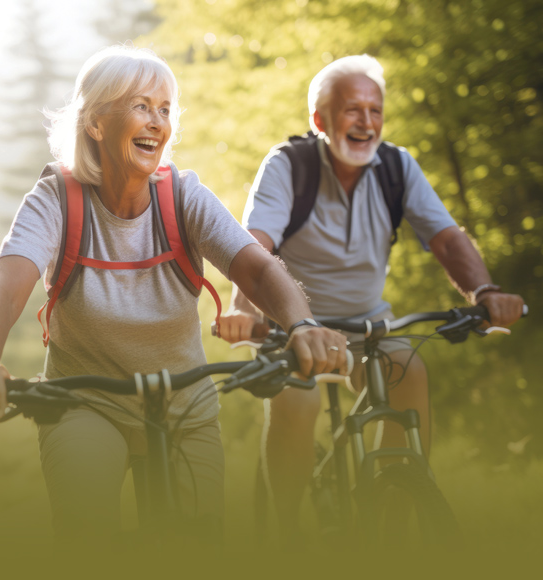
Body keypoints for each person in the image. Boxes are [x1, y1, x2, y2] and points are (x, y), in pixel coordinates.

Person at [0, 46, 348, 545]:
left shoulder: (183, 196)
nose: (157, 121)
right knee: (86, 538)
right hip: (85, 403)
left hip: (184, 406)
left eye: (164, 109)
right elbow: (6, 287)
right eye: (140, 106)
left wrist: (302, 325)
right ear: (95, 122)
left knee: (198, 551)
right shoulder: (56, 199)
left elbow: (259, 270)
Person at [218, 54, 525, 536]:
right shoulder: (289, 165)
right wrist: (241, 307)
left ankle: (393, 528)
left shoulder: (396, 168)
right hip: (293, 327)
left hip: (369, 325)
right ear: (320, 120)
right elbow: (255, 246)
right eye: (351, 110)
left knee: (411, 374)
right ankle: (285, 534)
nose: (366, 122)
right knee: (299, 405)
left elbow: (445, 237)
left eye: (375, 110)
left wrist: (484, 291)